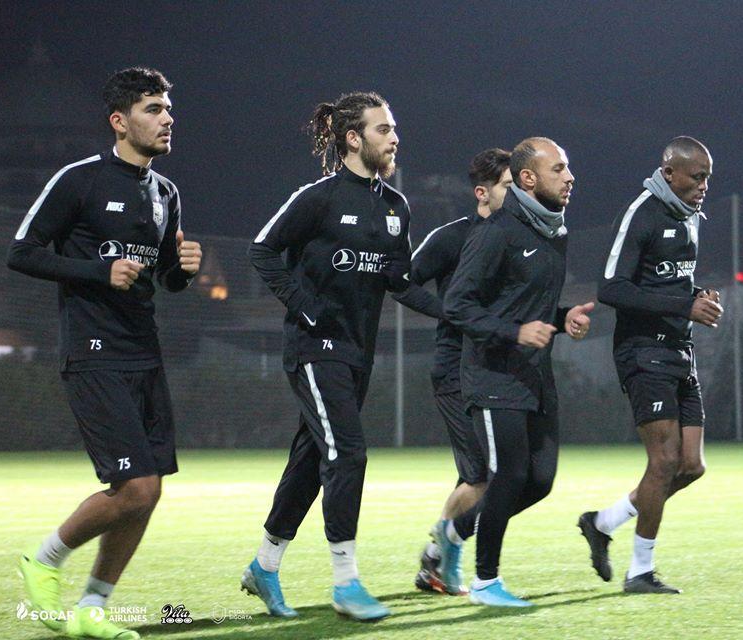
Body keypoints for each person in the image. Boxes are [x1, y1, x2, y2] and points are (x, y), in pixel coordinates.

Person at [8, 67, 201, 639]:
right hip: (92, 350)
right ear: (120, 121)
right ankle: (43, 559)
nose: (167, 119)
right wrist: (98, 270)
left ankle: (93, 606)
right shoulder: (79, 180)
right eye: (153, 109)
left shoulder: (166, 193)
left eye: (168, 109)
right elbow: (22, 252)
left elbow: (162, 279)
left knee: (148, 492)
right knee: (135, 487)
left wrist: (183, 271)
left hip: (144, 349)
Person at [243, 91, 410, 622]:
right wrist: (305, 307)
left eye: (393, 128)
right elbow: (262, 250)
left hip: (358, 352)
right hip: (315, 350)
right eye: (383, 129)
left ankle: (265, 565)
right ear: (353, 139)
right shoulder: (317, 198)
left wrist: (458, 313)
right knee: (348, 453)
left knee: (311, 462)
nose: (394, 137)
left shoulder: (396, 206)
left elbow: (401, 279)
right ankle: (346, 582)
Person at [440, 137, 595, 607]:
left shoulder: (555, 232)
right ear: (528, 179)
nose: (570, 178)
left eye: (568, 168)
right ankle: (486, 582)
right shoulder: (496, 232)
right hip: (493, 376)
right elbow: (457, 305)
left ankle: (454, 532)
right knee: (507, 475)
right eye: (559, 169)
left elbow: (531, 308)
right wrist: (513, 332)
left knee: (539, 482)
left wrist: (563, 319)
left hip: (534, 377)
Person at [578, 136, 722, 594]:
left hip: (680, 350)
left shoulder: (689, 216)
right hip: (643, 351)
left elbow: (670, 283)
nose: (703, 186)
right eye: (696, 177)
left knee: (691, 466)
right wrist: (683, 306)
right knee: (663, 462)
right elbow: (611, 288)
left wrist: (697, 297)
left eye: (708, 178)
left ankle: (603, 522)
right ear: (669, 173)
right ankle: (640, 571)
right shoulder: (641, 212)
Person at [392, 148, 512, 595]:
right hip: (456, 371)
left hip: (499, 372)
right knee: (482, 475)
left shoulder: (517, 238)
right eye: (508, 186)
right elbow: (401, 281)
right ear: (482, 192)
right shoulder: (452, 237)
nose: (518, 194)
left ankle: (437, 559)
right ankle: (439, 555)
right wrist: (448, 311)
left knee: (493, 473)